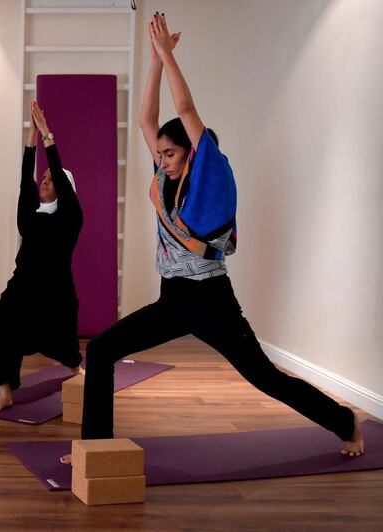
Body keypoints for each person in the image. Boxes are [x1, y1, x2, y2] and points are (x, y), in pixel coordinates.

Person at [61, 14, 363, 463]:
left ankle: (343, 420)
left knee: (264, 377)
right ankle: (95, 450)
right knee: (102, 349)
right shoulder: (164, 178)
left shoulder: (209, 173)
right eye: (159, 153)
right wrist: (155, 65)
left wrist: (169, 55)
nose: (161, 159)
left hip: (212, 301)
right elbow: (147, 118)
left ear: (191, 153)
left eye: (170, 152)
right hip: (172, 300)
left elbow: (185, 111)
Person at [0, 100, 84, 414]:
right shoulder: (30, 217)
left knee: (64, 346)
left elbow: (61, 188)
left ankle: (78, 374)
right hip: (23, 287)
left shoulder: (70, 218)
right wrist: (31, 138)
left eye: (52, 180)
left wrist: (48, 137)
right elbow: (26, 181)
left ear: (65, 189)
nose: (45, 181)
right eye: (45, 178)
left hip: (55, 292)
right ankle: (4, 392)